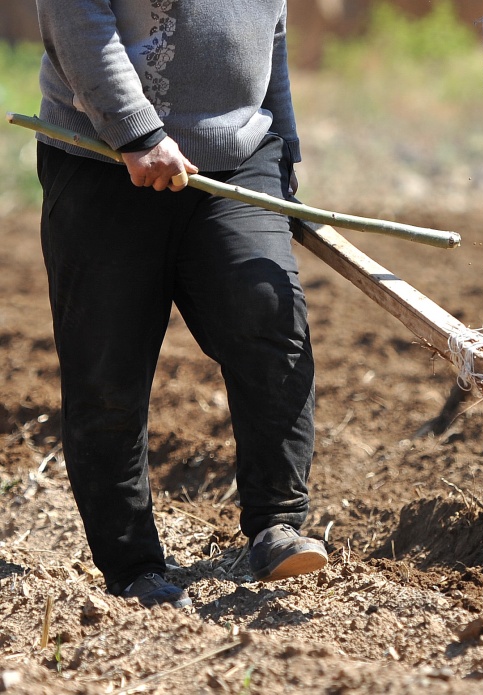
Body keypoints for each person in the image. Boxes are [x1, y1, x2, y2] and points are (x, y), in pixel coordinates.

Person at [35, 0, 327, 608]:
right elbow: (74, 17)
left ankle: (276, 525)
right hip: (102, 156)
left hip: (240, 154)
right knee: (107, 370)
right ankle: (133, 565)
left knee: (270, 319)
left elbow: (270, 29)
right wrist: (135, 130)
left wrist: (285, 150)